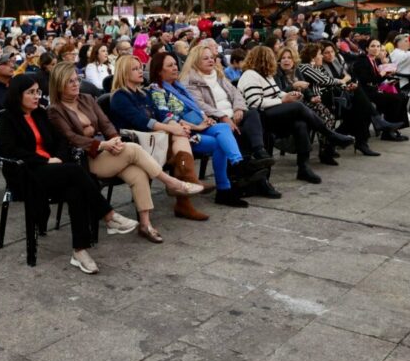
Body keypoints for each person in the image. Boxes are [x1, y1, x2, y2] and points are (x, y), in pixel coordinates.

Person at [0, 75, 138, 273]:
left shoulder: (40, 114)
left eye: (38, 91)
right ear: (17, 95)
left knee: (75, 190)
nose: (36, 96)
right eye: (30, 92)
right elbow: (11, 150)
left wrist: (59, 159)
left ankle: (80, 251)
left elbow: (61, 141)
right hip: (26, 173)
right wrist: (45, 161)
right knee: (76, 171)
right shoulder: (7, 119)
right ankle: (108, 215)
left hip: (54, 169)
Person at [47, 63, 199, 243]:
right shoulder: (54, 110)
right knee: (133, 149)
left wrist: (115, 140)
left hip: (105, 150)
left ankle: (145, 224)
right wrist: (105, 144)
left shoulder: (87, 99)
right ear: (58, 84)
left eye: (76, 79)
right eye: (69, 81)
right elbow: (71, 138)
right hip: (84, 159)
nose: (75, 84)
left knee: (139, 173)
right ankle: (173, 183)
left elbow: (106, 124)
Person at [147, 52, 269, 207]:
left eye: (175, 64)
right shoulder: (156, 89)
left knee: (224, 128)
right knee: (219, 143)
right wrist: (197, 126)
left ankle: (236, 167)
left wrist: (205, 117)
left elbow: (195, 107)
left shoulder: (178, 86)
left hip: (199, 126)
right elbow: (166, 116)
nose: (175, 67)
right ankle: (227, 185)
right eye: (170, 65)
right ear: (159, 70)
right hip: (182, 134)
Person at [108, 55, 209, 220]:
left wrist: (177, 126)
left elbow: (160, 114)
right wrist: (171, 128)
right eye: (134, 69)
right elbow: (142, 122)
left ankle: (187, 187)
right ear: (124, 73)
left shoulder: (142, 93)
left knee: (180, 137)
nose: (140, 71)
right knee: (178, 139)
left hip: (154, 140)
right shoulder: (119, 97)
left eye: (140, 67)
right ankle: (186, 190)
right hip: (135, 144)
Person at [238, 46, 354, 184]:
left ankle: (303, 168)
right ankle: (330, 135)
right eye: (272, 59)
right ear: (262, 60)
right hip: (258, 117)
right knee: (299, 107)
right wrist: (283, 100)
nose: (275, 62)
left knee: (301, 124)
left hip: (272, 112)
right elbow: (255, 103)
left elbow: (277, 92)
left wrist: (289, 95)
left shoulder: (266, 75)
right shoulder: (250, 75)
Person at [298, 43, 385, 157]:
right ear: (312, 56)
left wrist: (345, 85)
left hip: (334, 96)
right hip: (322, 100)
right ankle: (374, 123)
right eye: (322, 53)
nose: (325, 56)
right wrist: (343, 82)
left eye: (331, 52)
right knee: (360, 104)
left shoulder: (331, 63)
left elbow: (345, 77)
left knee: (360, 106)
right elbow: (326, 81)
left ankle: (359, 141)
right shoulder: (307, 67)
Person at [351, 40, 410, 141]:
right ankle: (388, 132)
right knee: (395, 99)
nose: (376, 48)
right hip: (365, 93)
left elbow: (377, 80)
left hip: (374, 90)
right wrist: (382, 74)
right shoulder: (362, 60)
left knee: (401, 97)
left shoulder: (375, 60)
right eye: (373, 46)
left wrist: (387, 76)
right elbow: (367, 80)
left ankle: (393, 129)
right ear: (367, 49)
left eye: (378, 46)